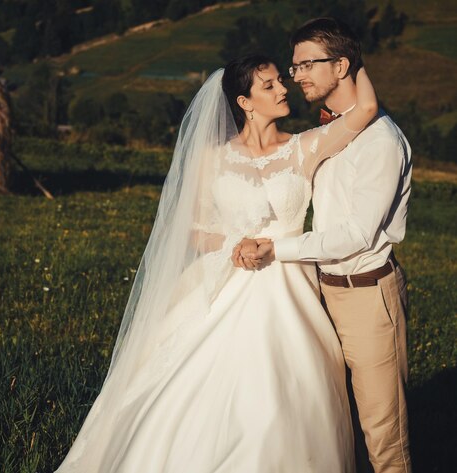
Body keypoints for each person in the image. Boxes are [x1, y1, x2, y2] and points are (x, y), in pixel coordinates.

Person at [54, 49, 379, 472]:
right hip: (227, 279)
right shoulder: (213, 157)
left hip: (290, 290)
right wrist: (233, 244)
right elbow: (191, 229)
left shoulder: (305, 147)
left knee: (283, 401)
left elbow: (367, 107)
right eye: (270, 85)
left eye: (282, 79)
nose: (284, 88)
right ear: (244, 103)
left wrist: (347, 56)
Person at [238, 18, 412, 473]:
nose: (296, 78)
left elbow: (355, 234)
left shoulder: (381, 142)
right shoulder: (332, 131)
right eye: (294, 68)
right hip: (320, 293)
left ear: (341, 66)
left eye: (306, 65)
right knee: (335, 422)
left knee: (383, 434)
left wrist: (277, 249)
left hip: (366, 296)